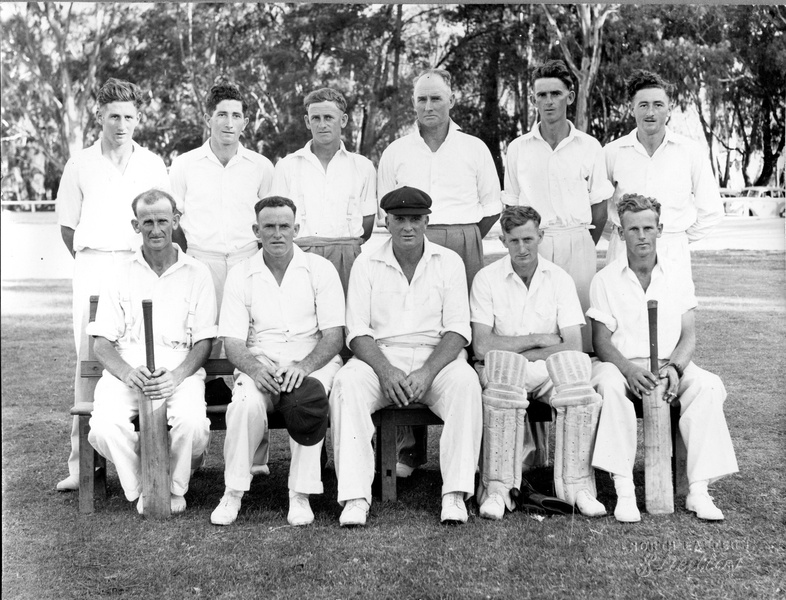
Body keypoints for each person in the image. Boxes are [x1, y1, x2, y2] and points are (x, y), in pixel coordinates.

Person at [329, 186, 482, 527]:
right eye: (400, 219)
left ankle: (455, 494)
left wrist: (427, 372)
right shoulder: (367, 262)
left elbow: (458, 330)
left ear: (427, 221)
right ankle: (355, 497)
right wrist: (385, 370)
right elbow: (357, 330)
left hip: (436, 360)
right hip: (381, 358)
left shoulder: (449, 261)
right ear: (386, 222)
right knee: (346, 384)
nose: (408, 227)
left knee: (466, 383)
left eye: (415, 219)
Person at [378, 67, 501, 477]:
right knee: (410, 331)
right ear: (413, 103)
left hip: (463, 241)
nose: (428, 106)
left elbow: (491, 205)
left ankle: (467, 444)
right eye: (421, 99)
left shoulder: (474, 148)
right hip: (411, 241)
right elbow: (386, 211)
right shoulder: (396, 151)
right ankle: (409, 447)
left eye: (436, 98)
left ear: (452, 99)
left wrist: (460, 237)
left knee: (457, 339)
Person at [588, 193, 738, 523]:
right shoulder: (605, 279)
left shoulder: (678, 274)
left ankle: (698, 490)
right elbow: (601, 342)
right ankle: (624, 490)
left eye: (648, 228)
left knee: (709, 386)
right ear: (620, 232)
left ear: (660, 229)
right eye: (633, 229)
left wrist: (677, 367)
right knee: (608, 387)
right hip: (620, 365)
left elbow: (689, 336)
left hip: (671, 364)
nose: (641, 236)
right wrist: (628, 370)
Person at [55, 78, 170, 492]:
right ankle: (81, 465)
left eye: (128, 117)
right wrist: (95, 264)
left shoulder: (153, 163)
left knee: (140, 351)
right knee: (89, 360)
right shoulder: (79, 164)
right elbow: (69, 229)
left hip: (139, 265)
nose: (121, 124)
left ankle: (151, 452)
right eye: (113, 116)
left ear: (138, 119)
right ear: (99, 116)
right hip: (93, 265)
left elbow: (164, 219)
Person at [209, 196, 345, 527]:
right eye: (269, 226)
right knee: (243, 403)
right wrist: (255, 370)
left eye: (285, 226)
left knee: (307, 400)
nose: (277, 233)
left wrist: (302, 367)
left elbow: (333, 337)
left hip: (311, 361)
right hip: (262, 362)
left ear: (296, 229)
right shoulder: (241, 274)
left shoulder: (320, 269)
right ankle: (233, 492)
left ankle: (299, 495)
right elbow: (233, 342)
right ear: (256, 230)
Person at [470, 206, 606, 519]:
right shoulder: (486, 279)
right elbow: (481, 345)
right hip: (503, 372)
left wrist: (521, 352)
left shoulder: (559, 279)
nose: (522, 247)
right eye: (514, 240)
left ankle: (579, 488)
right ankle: (497, 491)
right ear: (503, 240)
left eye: (528, 239)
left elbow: (572, 345)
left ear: (540, 236)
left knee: (577, 385)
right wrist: (538, 339)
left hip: (545, 371)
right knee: (502, 379)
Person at [86, 189, 215, 514]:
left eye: (162, 221)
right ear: (136, 224)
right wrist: (128, 373)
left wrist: (177, 376)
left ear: (175, 220)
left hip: (178, 372)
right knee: (103, 428)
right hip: (127, 373)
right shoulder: (119, 272)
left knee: (193, 426)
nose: (156, 229)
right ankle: (145, 487)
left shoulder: (197, 273)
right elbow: (101, 343)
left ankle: (172, 489)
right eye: (147, 222)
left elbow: (204, 342)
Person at [502, 59, 613, 351]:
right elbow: (511, 209)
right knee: (540, 318)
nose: (549, 101)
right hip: (535, 243)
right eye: (542, 95)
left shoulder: (589, 146)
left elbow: (599, 210)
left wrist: (580, 243)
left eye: (556, 94)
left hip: (578, 242)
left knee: (579, 326)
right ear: (534, 99)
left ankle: (582, 382)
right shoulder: (517, 148)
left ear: (570, 96)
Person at [601, 70, 723, 276]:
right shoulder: (611, 152)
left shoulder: (690, 152)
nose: (650, 112)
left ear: (670, 108)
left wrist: (675, 238)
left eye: (658, 105)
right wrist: (620, 234)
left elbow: (711, 210)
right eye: (643, 105)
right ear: (632, 109)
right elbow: (597, 210)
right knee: (620, 307)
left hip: (673, 252)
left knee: (671, 308)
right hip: (622, 251)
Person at [169, 80, 275, 307]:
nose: (229, 123)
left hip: (247, 261)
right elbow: (173, 221)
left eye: (236, 116)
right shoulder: (184, 164)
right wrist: (190, 257)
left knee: (246, 333)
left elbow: (270, 220)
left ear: (245, 123)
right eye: (221, 115)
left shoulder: (261, 166)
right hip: (200, 262)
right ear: (208, 119)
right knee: (202, 335)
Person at [271, 87, 377, 293]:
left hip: (346, 256)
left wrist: (343, 250)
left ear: (344, 120)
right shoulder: (288, 166)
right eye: (316, 118)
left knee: (345, 320)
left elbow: (367, 224)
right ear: (307, 121)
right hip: (301, 255)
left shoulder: (362, 166)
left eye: (329, 117)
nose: (322, 124)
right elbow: (278, 220)